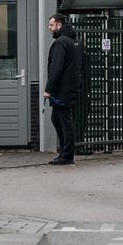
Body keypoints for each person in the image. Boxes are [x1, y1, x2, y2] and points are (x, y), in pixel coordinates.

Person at [44, 13, 82, 166]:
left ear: (59, 25)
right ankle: (65, 153)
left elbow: (56, 67)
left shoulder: (61, 42)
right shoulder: (75, 41)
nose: (49, 28)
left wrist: (48, 89)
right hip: (70, 88)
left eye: (51, 25)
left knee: (64, 122)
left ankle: (67, 155)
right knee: (57, 119)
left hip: (62, 90)